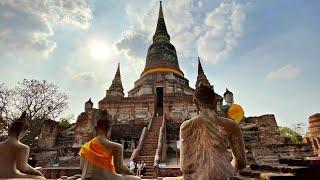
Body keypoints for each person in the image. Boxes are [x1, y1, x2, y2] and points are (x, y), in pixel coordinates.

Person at [180, 84, 246, 180]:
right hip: (225, 175)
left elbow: (185, 167)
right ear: (216, 102)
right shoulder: (232, 125)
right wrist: (228, 168)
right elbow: (241, 162)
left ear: (195, 103)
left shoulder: (186, 126)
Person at [79, 110, 141, 180]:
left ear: (95, 129)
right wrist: (132, 174)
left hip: (85, 178)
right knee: (137, 179)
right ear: (109, 130)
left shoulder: (85, 147)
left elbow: (81, 167)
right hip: (106, 178)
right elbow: (119, 168)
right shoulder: (116, 146)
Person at [0, 112, 45, 179]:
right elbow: (22, 167)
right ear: (22, 132)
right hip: (11, 176)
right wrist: (37, 173)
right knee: (41, 178)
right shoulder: (22, 147)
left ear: (10, 131)